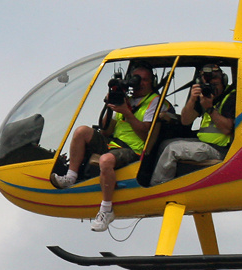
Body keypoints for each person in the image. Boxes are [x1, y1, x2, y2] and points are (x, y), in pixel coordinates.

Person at [51, 61, 164, 231]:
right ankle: (71, 177)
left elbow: (145, 134)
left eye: (145, 80)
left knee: (105, 161)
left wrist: (127, 113)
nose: (140, 83)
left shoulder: (154, 101)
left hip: (134, 149)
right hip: (113, 144)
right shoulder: (127, 100)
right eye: (136, 79)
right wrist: (110, 106)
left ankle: (106, 209)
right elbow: (106, 131)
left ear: (152, 82)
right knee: (81, 131)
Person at [150, 64, 235, 186]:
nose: (210, 85)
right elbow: (186, 121)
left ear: (224, 80)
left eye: (215, 80)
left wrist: (209, 108)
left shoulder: (230, 97)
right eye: (206, 81)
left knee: (172, 150)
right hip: (204, 144)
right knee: (164, 144)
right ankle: (171, 183)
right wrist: (192, 99)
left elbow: (227, 129)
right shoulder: (205, 96)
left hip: (220, 149)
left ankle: (157, 187)